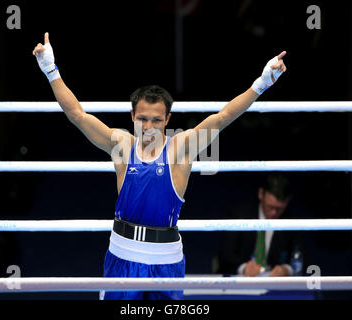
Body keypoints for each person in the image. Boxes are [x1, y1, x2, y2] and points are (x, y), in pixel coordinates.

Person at [32, 32, 287, 300]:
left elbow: (223, 116)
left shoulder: (181, 148)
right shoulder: (122, 145)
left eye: (156, 120)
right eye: (142, 119)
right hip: (122, 253)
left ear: (167, 119)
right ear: (132, 116)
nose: (149, 127)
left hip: (166, 258)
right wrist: (50, 69)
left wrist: (261, 84)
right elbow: (77, 114)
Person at [215, 175, 301, 277]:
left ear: (287, 201)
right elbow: (225, 255)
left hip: (274, 284)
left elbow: (301, 257)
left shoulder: (293, 222)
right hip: (238, 281)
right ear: (261, 194)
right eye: (270, 207)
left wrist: (287, 269)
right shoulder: (239, 215)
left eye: (279, 209)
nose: (273, 213)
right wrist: (243, 268)